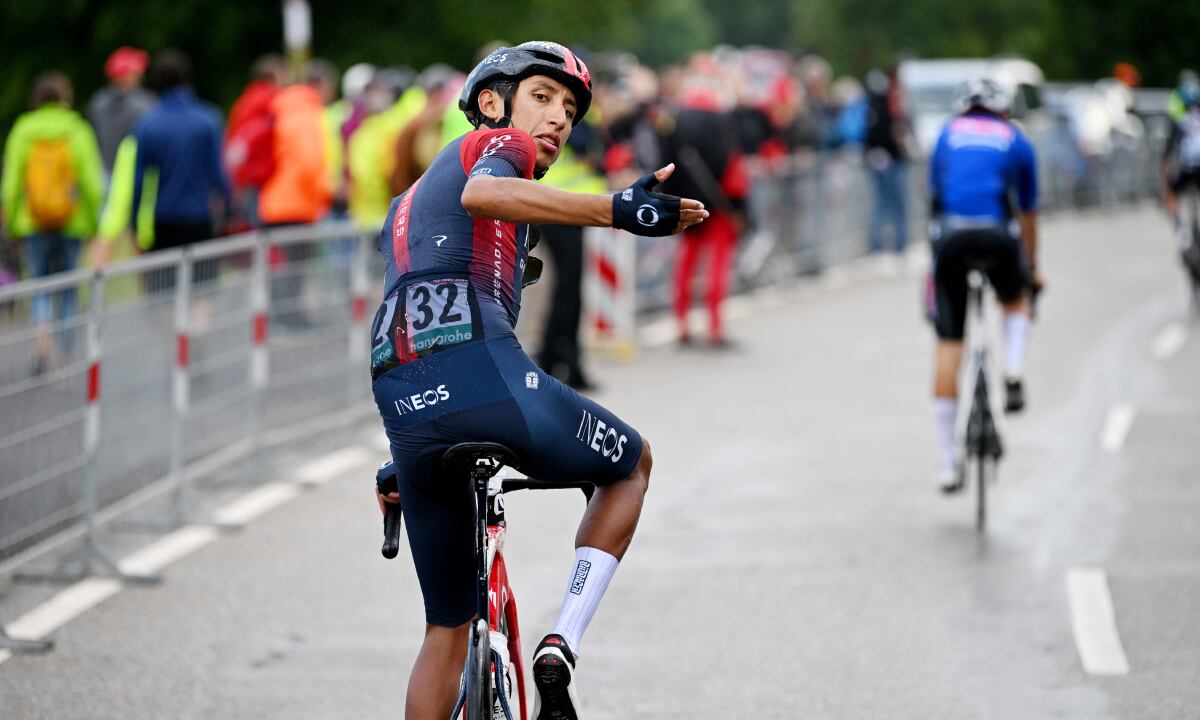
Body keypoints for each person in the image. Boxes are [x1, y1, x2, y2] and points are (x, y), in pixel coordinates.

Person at [368, 41, 706, 719]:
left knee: (445, 626)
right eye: (543, 97)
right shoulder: (500, 148)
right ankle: (561, 644)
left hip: (402, 398)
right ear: (492, 105)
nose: (558, 118)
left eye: (571, 109)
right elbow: (486, 192)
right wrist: (616, 210)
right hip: (483, 375)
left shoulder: (404, 208)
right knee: (630, 462)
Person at [926, 78, 1042, 493]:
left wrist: (932, 275)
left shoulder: (945, 134)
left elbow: (935, 202)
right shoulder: (1015, 137)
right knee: (1015, 300)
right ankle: (1012, 368)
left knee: (947, 346)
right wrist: (1032, 269)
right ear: (1002, 110)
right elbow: (1028, 214)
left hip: (952, 241)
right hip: (997, 235)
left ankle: (946, 463)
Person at [1, 71, 104, 372]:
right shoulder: (77, 130)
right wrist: (93, 220)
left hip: (33, 222)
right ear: (64, 98)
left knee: (41, 284)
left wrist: (12, 219)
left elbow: (11, 182)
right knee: (69, 288)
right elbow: (91, 183)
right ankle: (63, 356)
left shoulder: (23, 130)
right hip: (72, 221)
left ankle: (42, 344)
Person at [660, 65, 749, 348]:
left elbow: (664, 167)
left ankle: (682, 323)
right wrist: (740, 208)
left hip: (684, 204)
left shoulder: (675, 122)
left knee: (685, 265)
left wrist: (670, 202)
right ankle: (714, 327)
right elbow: (734, 169)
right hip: (719, 205)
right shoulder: (721, 122)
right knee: (717, 266)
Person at [129, 50, 230, 286]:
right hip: (198, 216)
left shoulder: (147, 125)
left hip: (163, 217)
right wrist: (228, 209)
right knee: (202, 288)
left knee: (165, 290)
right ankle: (197, 323)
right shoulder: (207, 120)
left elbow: (139, 180)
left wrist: (134, 223)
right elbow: (217, 171)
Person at [864, 65, 911, 262]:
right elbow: (875, 134)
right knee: (884, 204)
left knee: (897, 204)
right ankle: (879, 245)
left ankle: (900, 244)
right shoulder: (879, 105)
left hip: (895, 158)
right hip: (886, 160)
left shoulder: (894, 103)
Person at [87, 46, 156, 177]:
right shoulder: (146, 104)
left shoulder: (98, 102)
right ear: (126, 75)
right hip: (134, 173)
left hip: (101, 172)